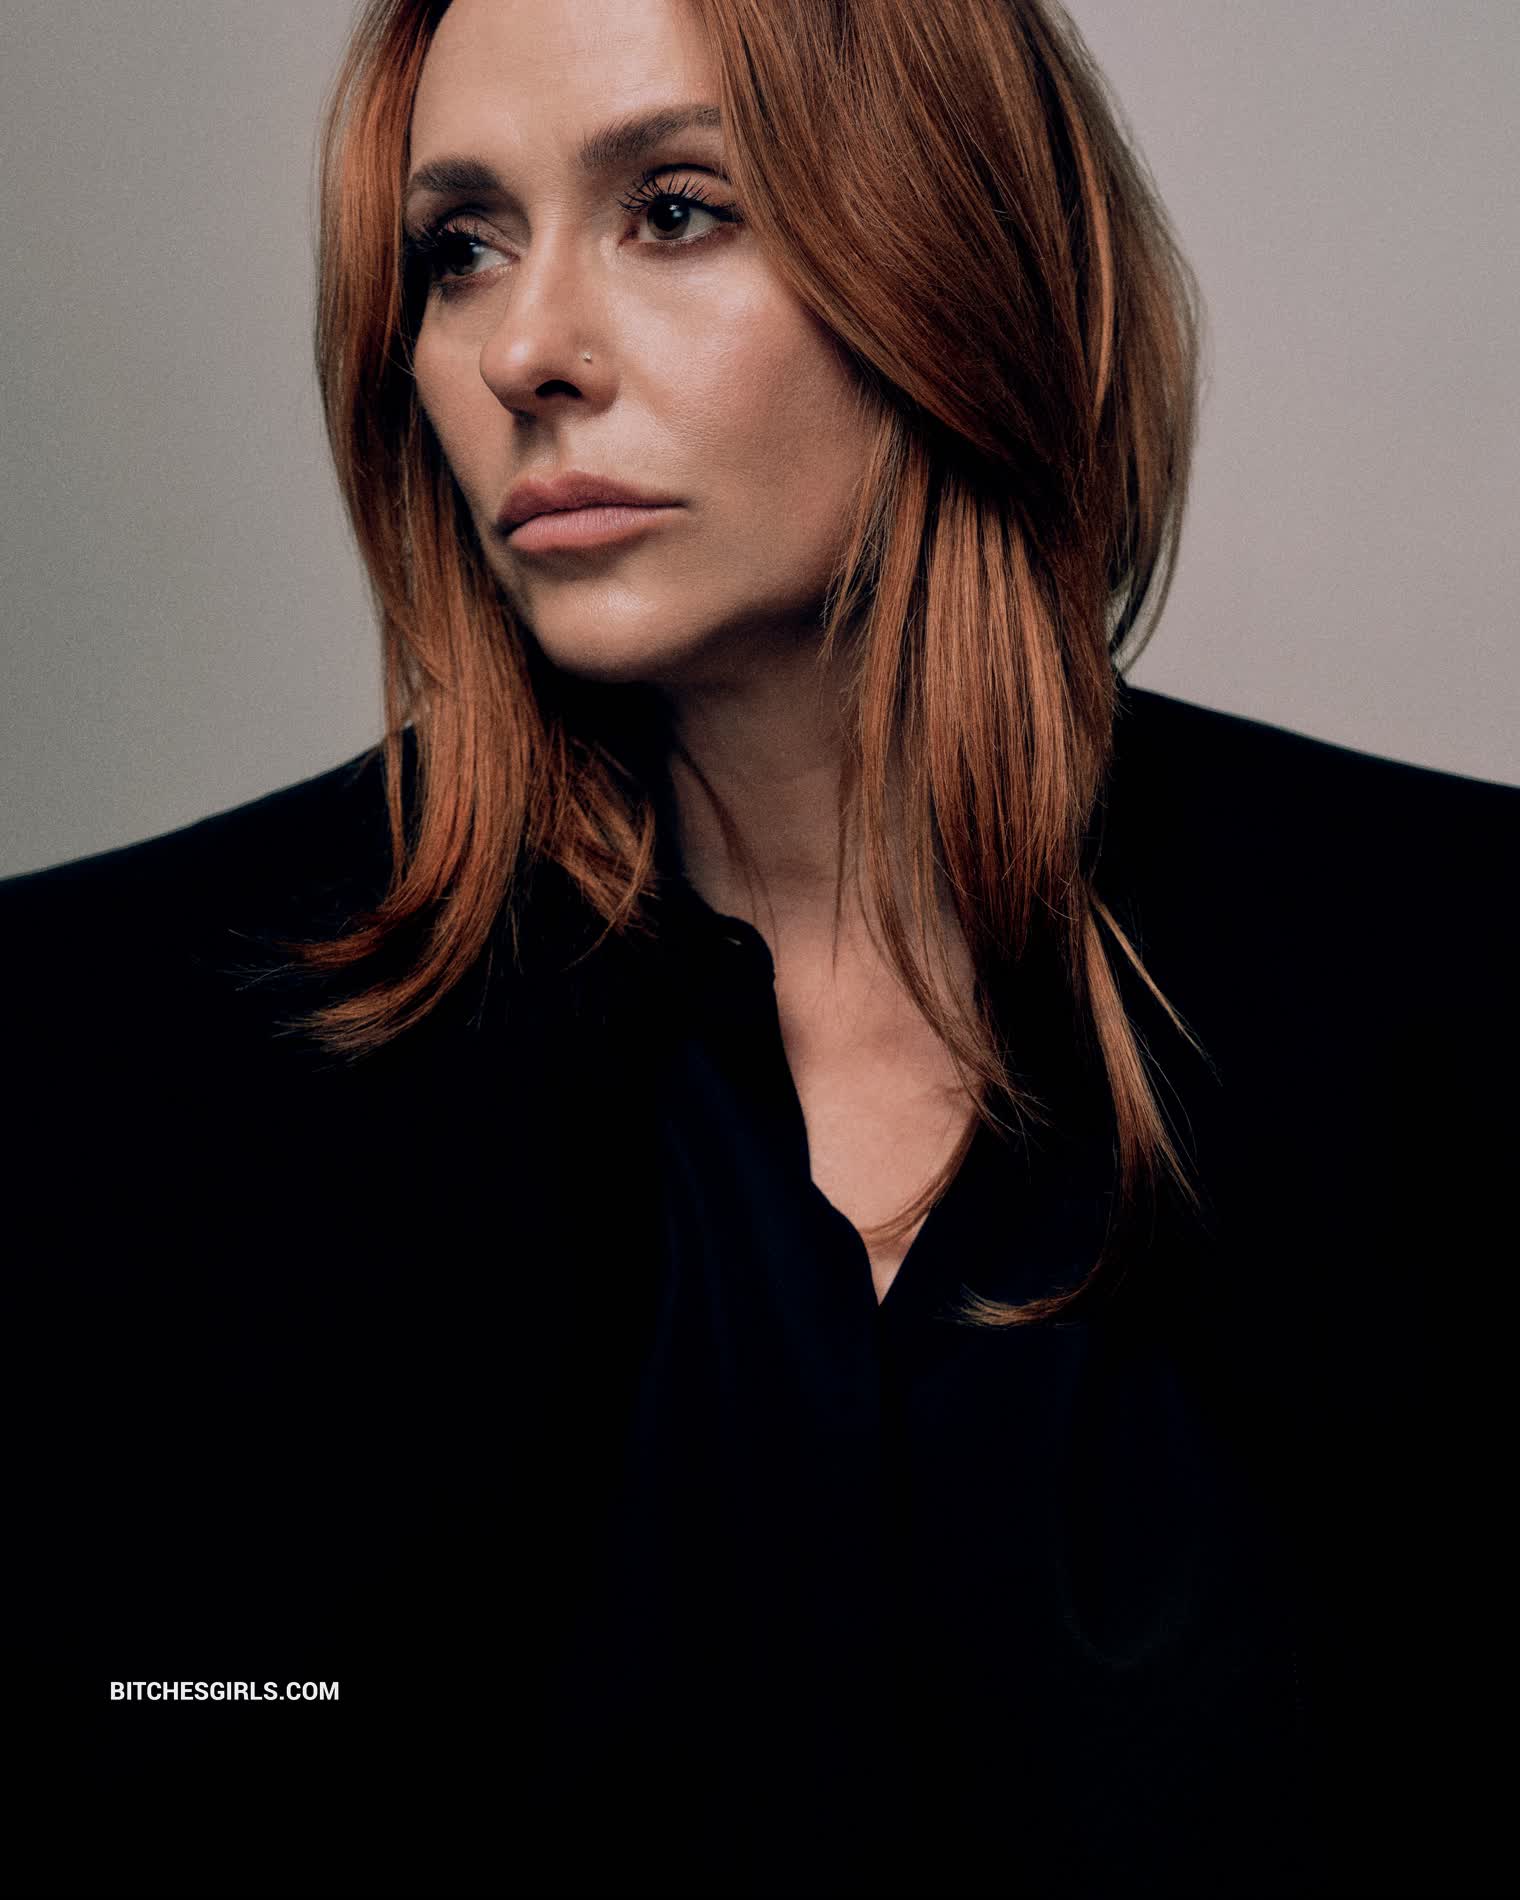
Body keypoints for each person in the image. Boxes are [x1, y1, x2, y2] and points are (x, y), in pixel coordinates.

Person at [4, 1, 1513, 1895]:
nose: (526, 351)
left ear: (958, 257)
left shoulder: (1458, 975)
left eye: (677, 209)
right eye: (458, 250)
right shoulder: (100, 1045)